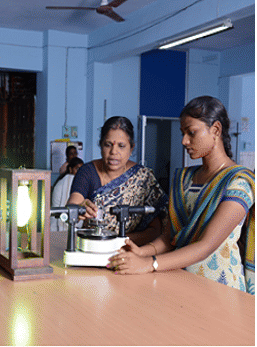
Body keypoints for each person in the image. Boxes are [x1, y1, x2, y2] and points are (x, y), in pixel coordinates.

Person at [108, 96, 254, 294]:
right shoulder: (185, 179)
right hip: (179, 280)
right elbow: (171, 237)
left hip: (220, 289)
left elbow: (206, 245)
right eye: (183, 133)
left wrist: (149, 263)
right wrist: (140, 252)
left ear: (216, 130)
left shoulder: (238, 182)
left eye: (191, 132)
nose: (184, 141)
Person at [67, 116, 167, 246]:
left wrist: (116, 242)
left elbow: (155, 230)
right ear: (101, 145)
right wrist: (80, 207)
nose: (114, 152)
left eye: (121, 146)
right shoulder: (87, 172)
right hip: (94, 247)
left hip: (134, 251)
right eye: (108, 145)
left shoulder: (143, 178)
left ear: (131, 148)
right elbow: (72, 206)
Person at [51, 157, 84, 232]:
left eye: (82, 170)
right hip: (60, 228)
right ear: (70, 169)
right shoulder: (70, 179)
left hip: (56, 226)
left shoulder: (64, 179)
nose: (80, 172)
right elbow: (68, 210)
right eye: (78, 169)